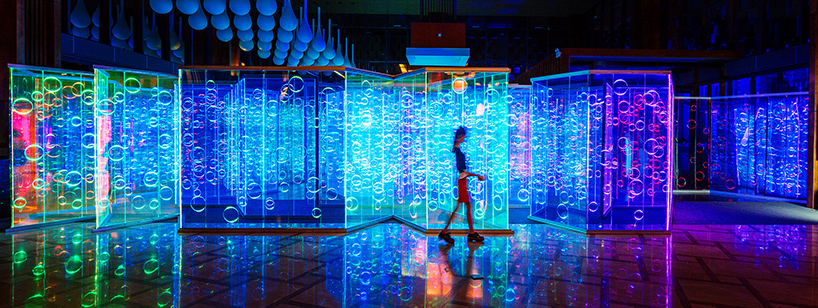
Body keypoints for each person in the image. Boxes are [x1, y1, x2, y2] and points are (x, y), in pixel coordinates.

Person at [438, 126, 485, 243]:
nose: (464, 138)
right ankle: (445, 232)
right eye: (463, 136)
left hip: (462, 181)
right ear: (459, 137)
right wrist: (477, 175)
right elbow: (462, 171)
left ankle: (471, 233)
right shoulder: (458, 152)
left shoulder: (456, 151)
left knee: (466, 206)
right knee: (461, 207)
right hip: (462, 181)